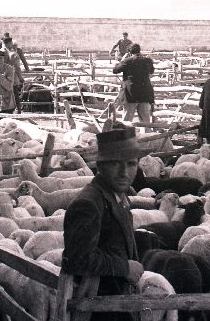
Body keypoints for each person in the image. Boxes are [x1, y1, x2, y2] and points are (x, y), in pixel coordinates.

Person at [62, 126, 145, 321]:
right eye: (116, 164)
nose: (125, 172)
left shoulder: (116, 196)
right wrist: (124, 268)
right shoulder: (88, 204)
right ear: (100, 165)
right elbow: (77, 259)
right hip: (98, 310)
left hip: (117, 304)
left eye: (131, 163)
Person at [112, 43, 155, 123]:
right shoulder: (148, 61)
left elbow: (115, 70)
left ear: (130, 52)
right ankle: (147, 135)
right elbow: (152, 71)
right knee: (145, 121)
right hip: (144, 94)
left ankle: (125, 135)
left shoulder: (127, 61)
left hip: (130, 94)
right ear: (139, 50)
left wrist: (122, 60)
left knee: (127, 121)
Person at [1, 36, 25, 113]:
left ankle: (7, 109)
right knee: (15, 93)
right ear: (9, 43)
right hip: (12, 77)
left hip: (2, 76)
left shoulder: (0, 52)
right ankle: (17, 109)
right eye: (11, 43)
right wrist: (21, 78)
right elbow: (17, 67)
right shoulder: (13, 54)